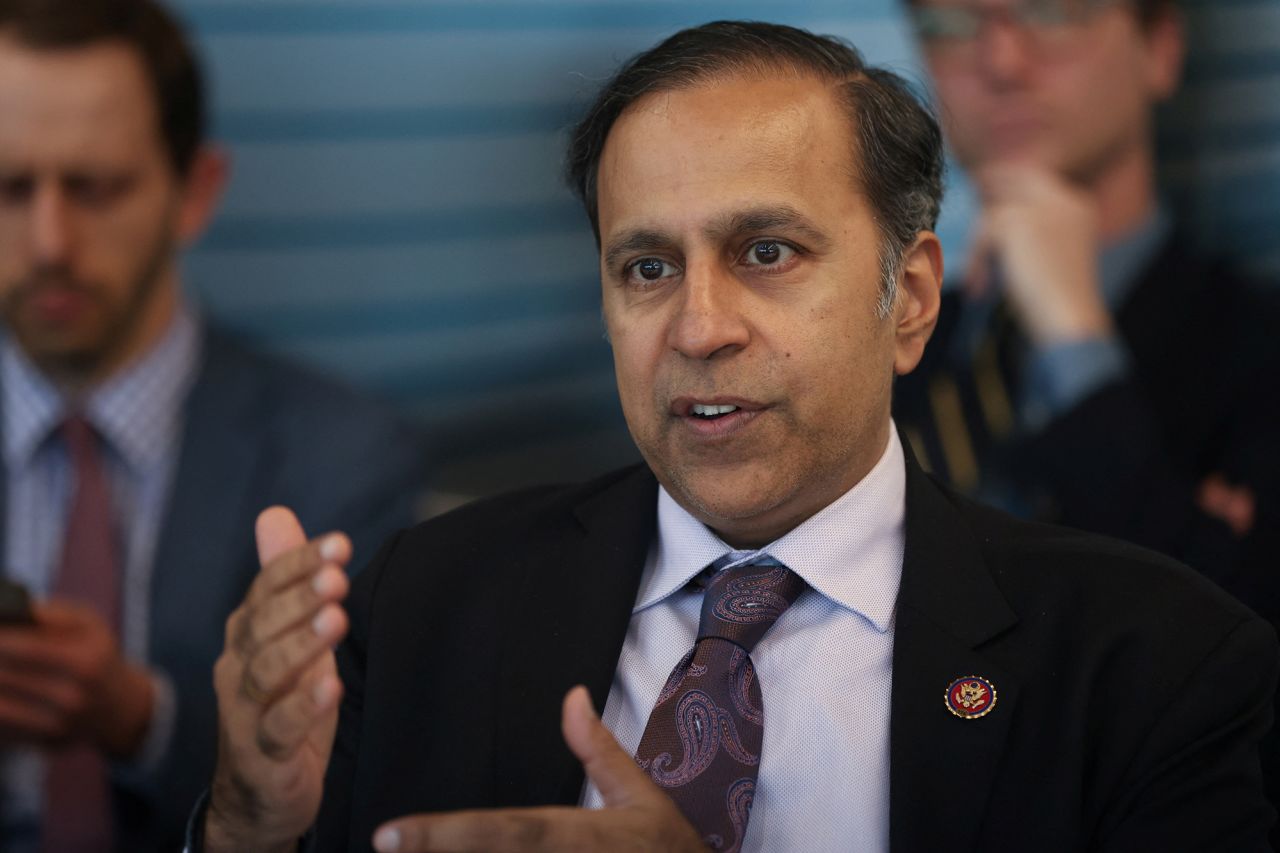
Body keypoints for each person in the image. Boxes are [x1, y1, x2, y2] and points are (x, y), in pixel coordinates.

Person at [192, 21, 1275, 853]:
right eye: (647, 268)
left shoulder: (1149, 660)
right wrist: (247, 822)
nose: (698, 328)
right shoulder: (421, 600)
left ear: (906, 299)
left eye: (765, 251)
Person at [0, 1, 428, 850]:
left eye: (96, 188)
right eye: (9, 187)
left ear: (194, 193)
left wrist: (142, 720)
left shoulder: (341, 457)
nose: (50, 240)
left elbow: (358, 788)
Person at [891, 0, 1280, 624]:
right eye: (952, 27)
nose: (1001, 60)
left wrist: (1075, 343)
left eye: (1052, 14)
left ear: (1160, 48)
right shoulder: (884, 344)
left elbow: (1239, 636)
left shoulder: (1258, 348)